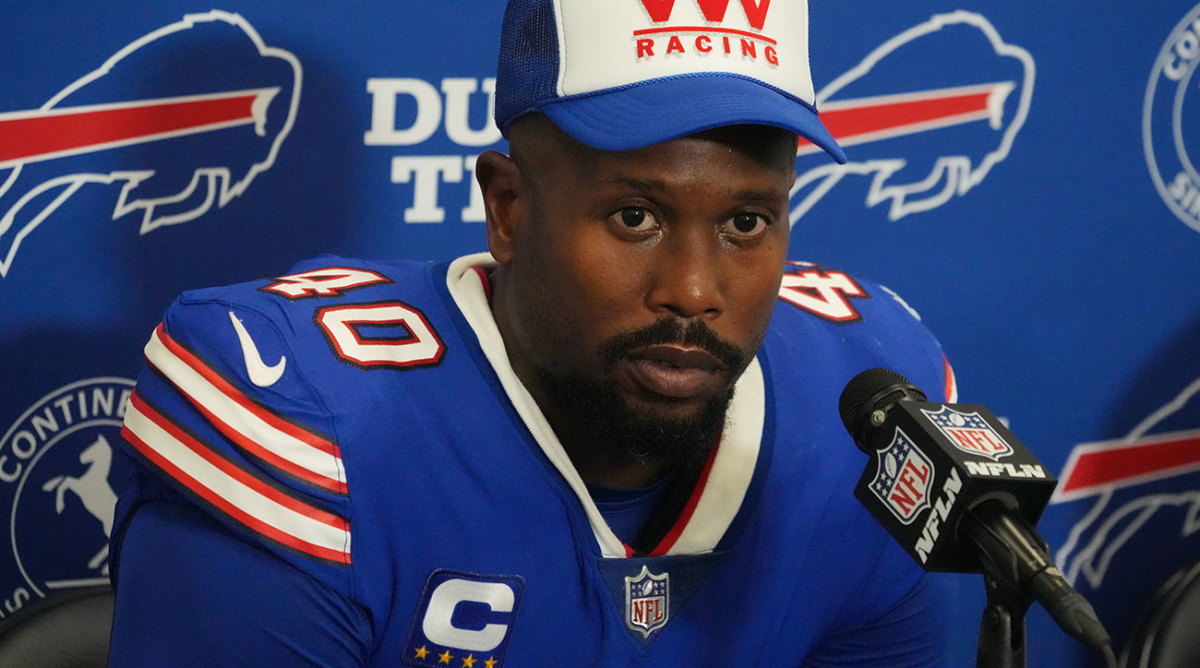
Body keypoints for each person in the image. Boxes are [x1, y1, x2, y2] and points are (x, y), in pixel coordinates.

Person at [108, 0, 959, 665]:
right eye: (636, 216)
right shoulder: (306, 416)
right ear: (508, 209)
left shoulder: (868, 404)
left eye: (746, 222)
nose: (694, 292)